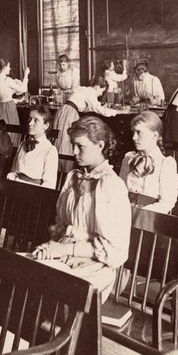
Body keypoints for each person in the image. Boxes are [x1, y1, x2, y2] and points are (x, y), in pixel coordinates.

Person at [29, 117, 131, 302]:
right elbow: (61, 225)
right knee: (16, 269)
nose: (74, 152)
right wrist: (51, 248)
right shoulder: (73, 177)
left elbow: (116, 252)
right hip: (63, 256)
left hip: (95, 268)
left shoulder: (111, 185)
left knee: (33, 284)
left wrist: (64, 249)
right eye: (73, 145)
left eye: (80, 146)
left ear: (100, 145)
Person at [120, 111, 178, 213]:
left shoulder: (166, 164)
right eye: (133, 132)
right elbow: (120, 191)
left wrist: (140, 214)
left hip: (149, 218)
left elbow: (167, 202)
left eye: (139, 133)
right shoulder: (129, 158)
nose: (134, 137)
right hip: (125, 214)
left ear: (154, 135)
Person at [51, 74, 120, 156]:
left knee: (59, 137)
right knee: (66, 139)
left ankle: (58, 160)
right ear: (97, 86)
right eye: (102, 91)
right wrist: (120, 112)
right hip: (70, 113)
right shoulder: (91, 92)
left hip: (63, 110)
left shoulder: (83, 89)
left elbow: (84, 107)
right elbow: (101, 111)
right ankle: (65, 163)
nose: (101, 94)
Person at [7, 105, 59, 189]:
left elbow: (49, 185)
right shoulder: (23, 144)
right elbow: (14, 171)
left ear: (45, 126)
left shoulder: (50, 150)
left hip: (33, 193)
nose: (30, 123)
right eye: (30, 119)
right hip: (15, 188)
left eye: (36, 120)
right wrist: (12, 176)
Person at [0, 58, 29, 127]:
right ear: (5, 67)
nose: (10, 69)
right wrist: (26, 75)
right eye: (9, 66)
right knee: (13, 127)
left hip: (1, 106)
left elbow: (6, 95)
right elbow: (23, 89)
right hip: (9, 106)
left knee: (5, 127)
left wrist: (15, 86)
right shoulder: (7, 80)